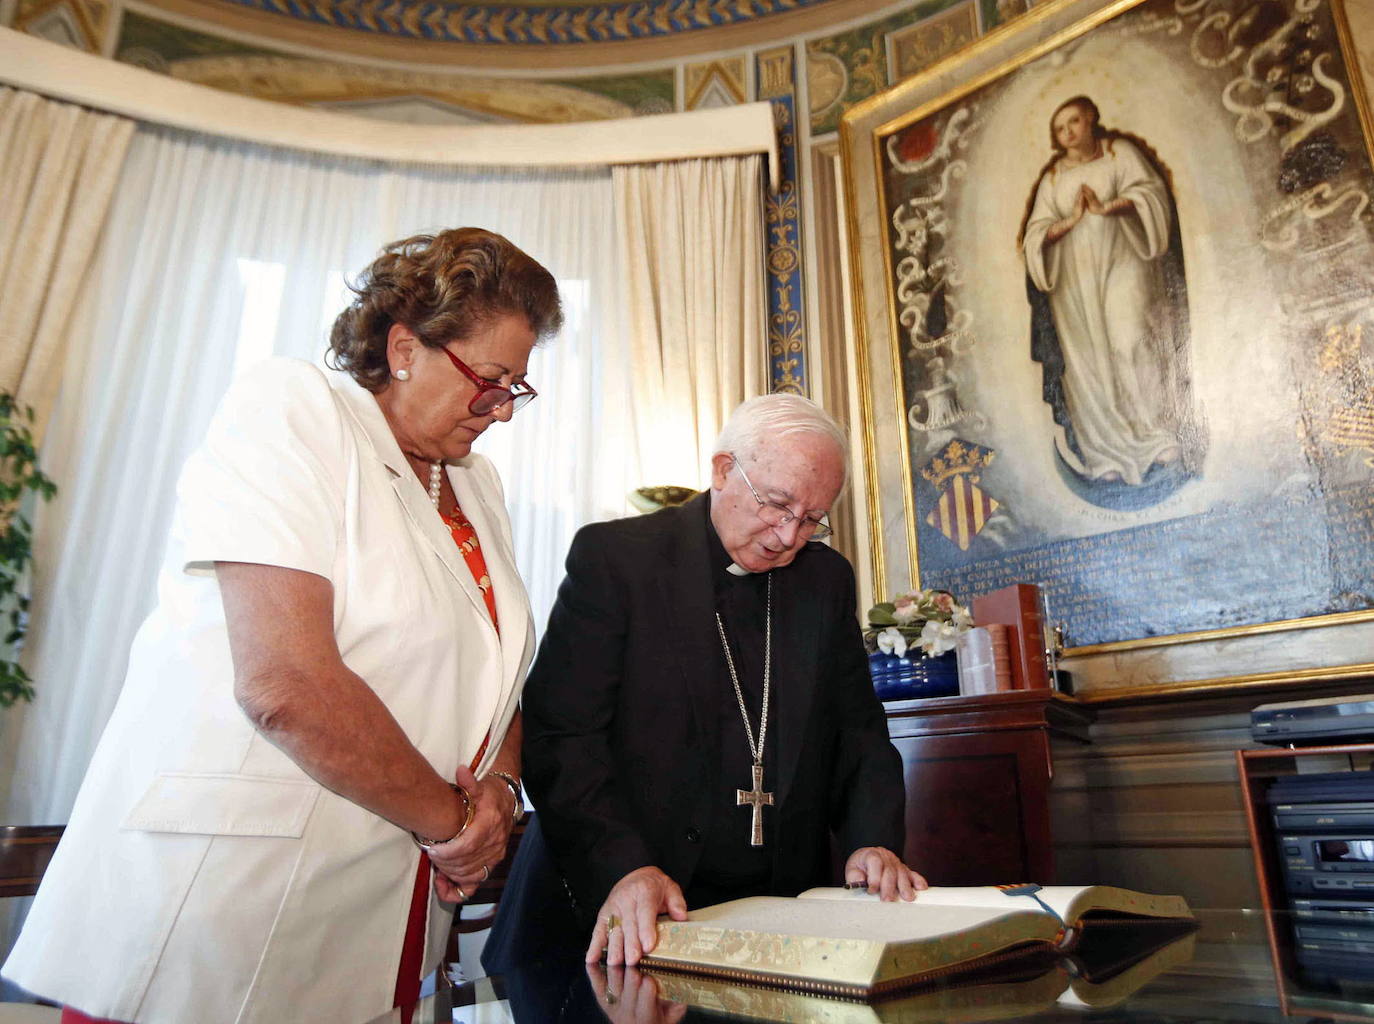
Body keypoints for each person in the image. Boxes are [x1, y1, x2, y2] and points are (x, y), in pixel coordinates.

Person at [3, 228, 561, 1023]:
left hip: (381, 910)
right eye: (490, 380)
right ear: (405, 348)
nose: (502, 409)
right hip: (229, 907)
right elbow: (285, 684)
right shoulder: (296, 410)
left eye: (518, 387)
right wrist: (456, 826)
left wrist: (501, 792)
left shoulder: (479, 486)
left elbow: (496, 676)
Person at [484, 394, 924, 973]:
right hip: (617, 919)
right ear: (722, 471)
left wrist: (874, 840)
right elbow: (561, 738)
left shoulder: (825, 580)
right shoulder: (619, 560)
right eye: (777, 504)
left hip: (774, 927)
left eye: (813, 518)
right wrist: (623, 867)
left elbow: (858, 732)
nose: (790, 535)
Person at [1019, 95, 1202, 487]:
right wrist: (1067, 223)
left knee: (1131, 340)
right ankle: (1104, 453)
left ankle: (1156, 435)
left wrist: (1108, 208)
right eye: (1060, 128)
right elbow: (1035, 234)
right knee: (1087, 364)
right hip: (1074, 283)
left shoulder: (1121, 155)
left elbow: (1152, 196)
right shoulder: (1053, 178)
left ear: (1091, 120)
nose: (1068, 133)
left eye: (1073, 122)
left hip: (1124, 262)